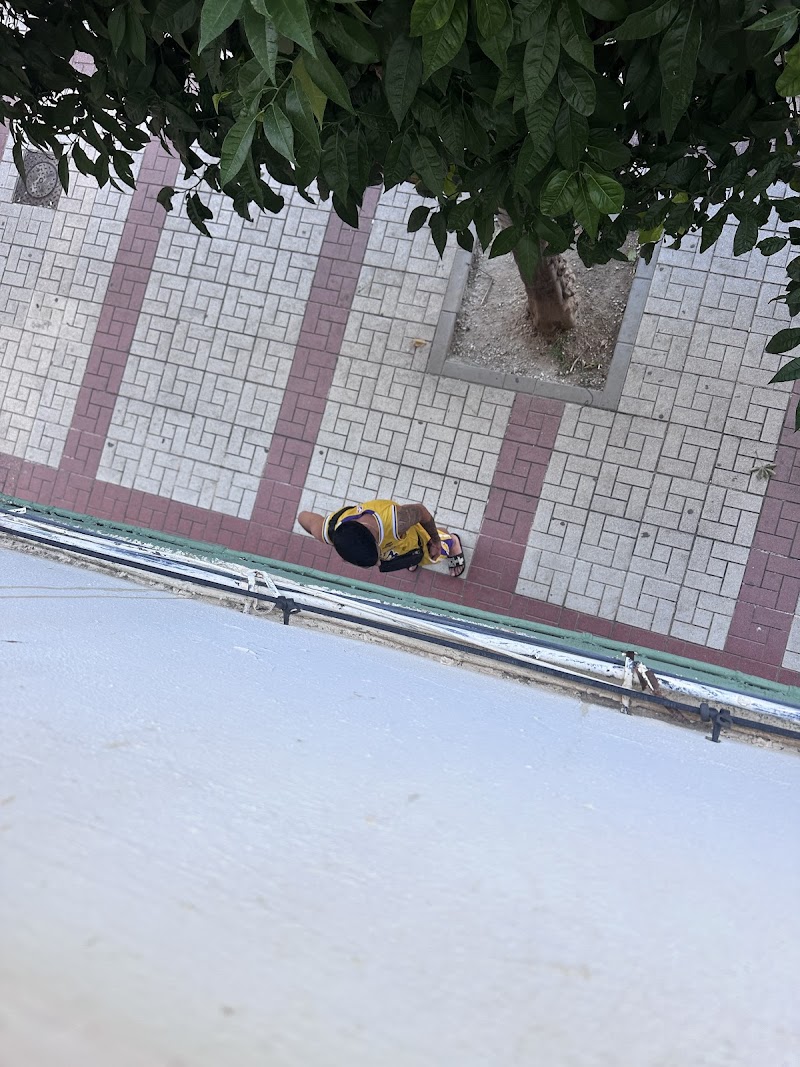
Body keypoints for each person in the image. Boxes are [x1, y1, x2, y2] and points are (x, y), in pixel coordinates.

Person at [298, 499, 466, 577]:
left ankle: (452, 543)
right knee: (408, 558)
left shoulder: (396, 521)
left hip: (420, 541)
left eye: (377, 559)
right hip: (400, 550)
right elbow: (303, 517)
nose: (379, 564)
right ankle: (411, 559)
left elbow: (421, 512)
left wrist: (435, 540)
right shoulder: (330, 530)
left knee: (438, 550)